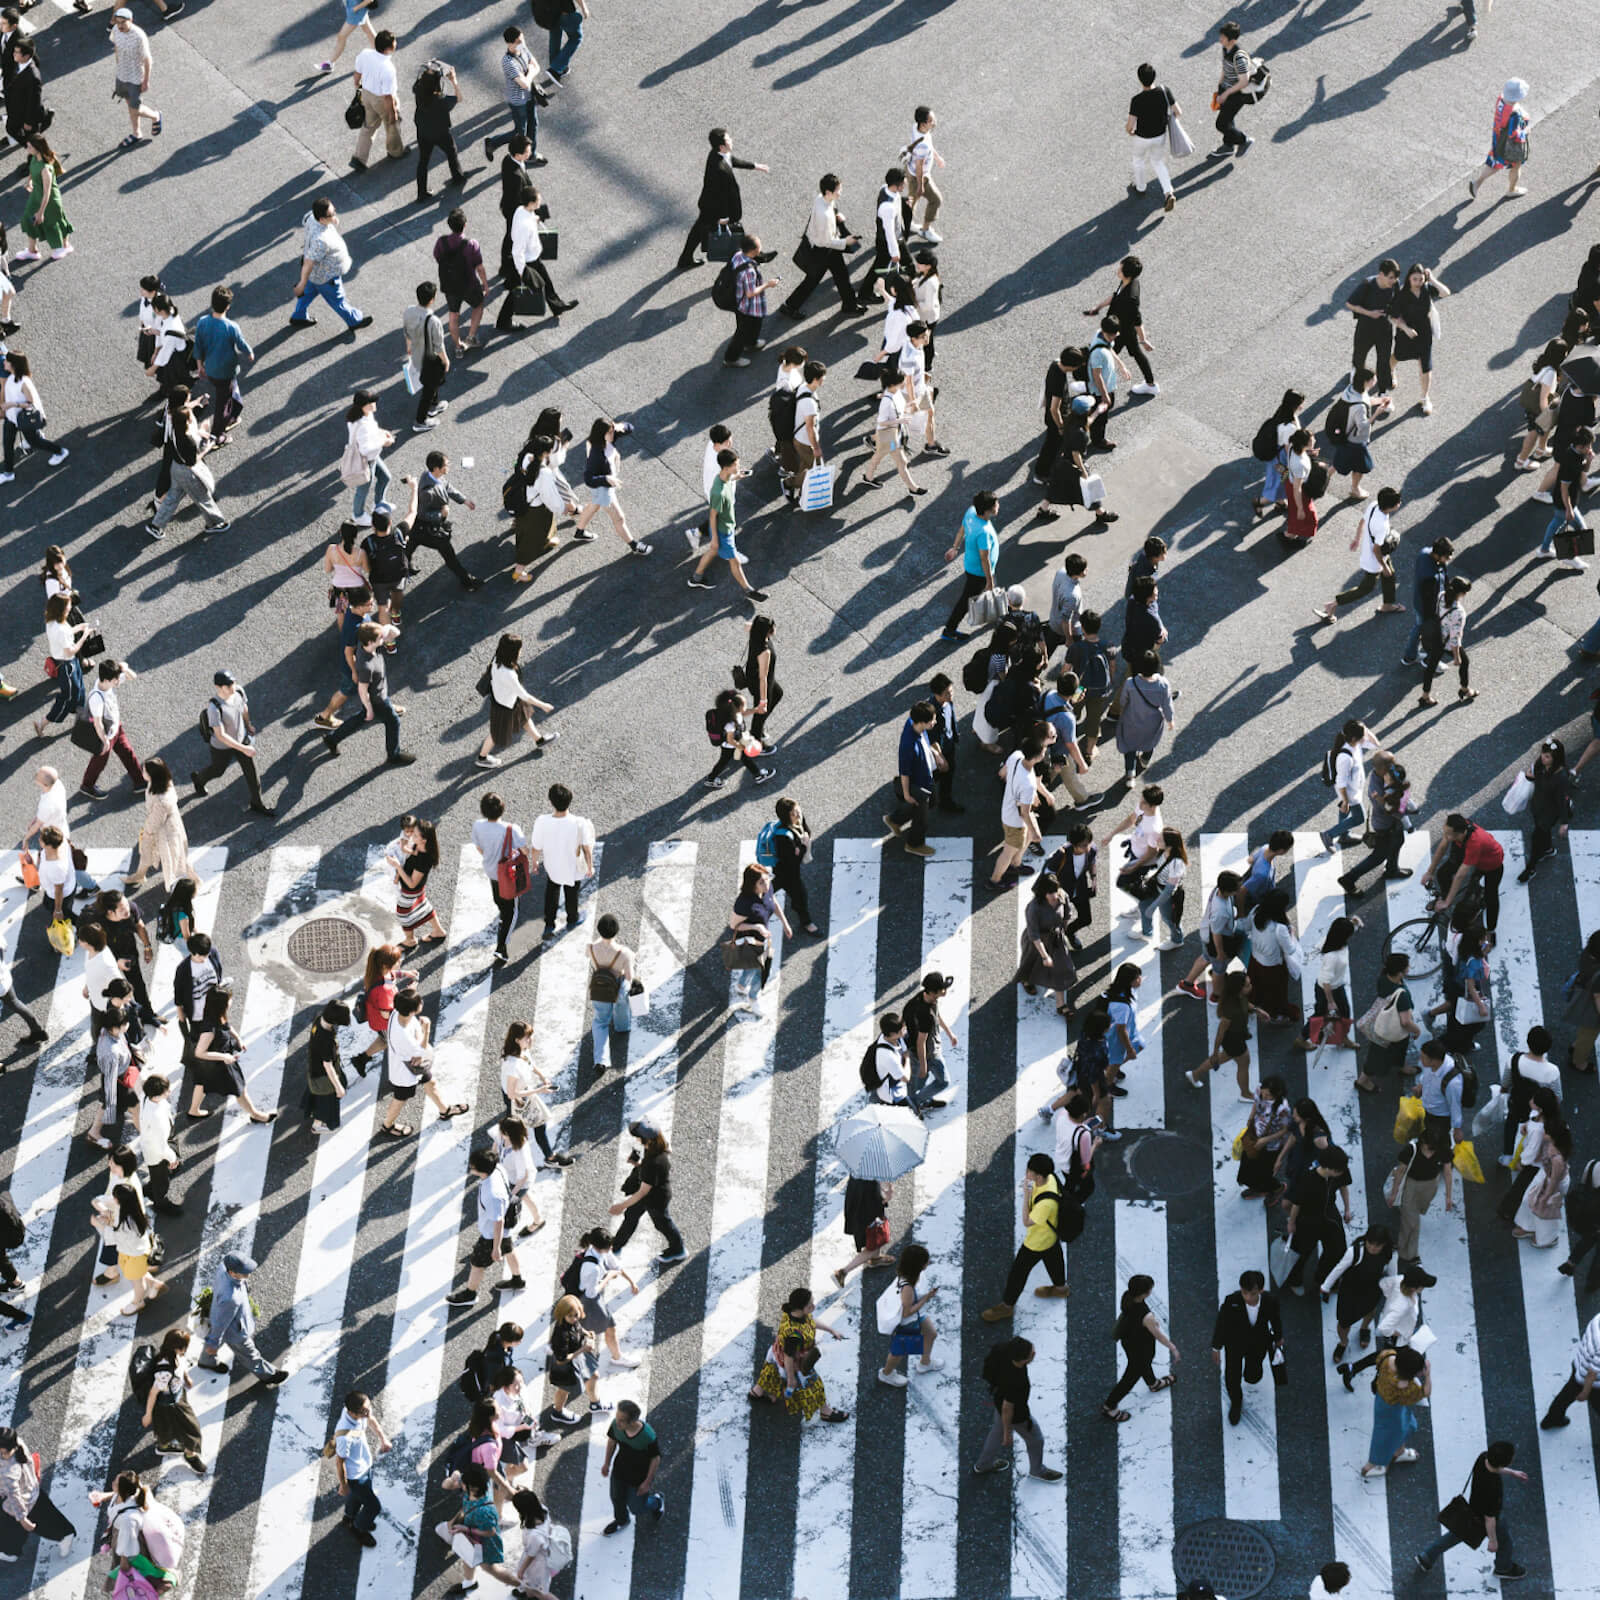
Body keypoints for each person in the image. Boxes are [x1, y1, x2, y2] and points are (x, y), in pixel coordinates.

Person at [1415, 1441, 1528, 1579]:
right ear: (1506, 1462)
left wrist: (1511, 1472)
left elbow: (1494, 1467)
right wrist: (1492, 1541)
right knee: (1505, 1541)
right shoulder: (1493, 1488)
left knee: (1455, 1535)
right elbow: (1490, 1519)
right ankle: (1503, 1568)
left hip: (1472, 1509)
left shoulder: (1483, 1458)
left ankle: (1427, 1556)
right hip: (1489, 1518)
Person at [321, 621, 415, 768]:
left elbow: (395, 633)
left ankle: (332, 739)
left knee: (360, 719)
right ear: (371, 642)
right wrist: (370, 709)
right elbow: (362, 690)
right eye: (380, 638)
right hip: (378, 701)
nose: (383, 640)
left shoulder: (368, 645)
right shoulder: (366, 666)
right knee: (393, 722)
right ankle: (394, 755)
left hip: (378, 696)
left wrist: (384, 630)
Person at [747, 1286, 849, 1422]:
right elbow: (789, 1357)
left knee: (771, 1371)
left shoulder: (791, 1312)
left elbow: (811, 1322)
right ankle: (825, 1411)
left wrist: (831, 1330)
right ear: (800, 1309)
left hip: (775, 1352)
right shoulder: (794, 1335)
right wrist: (791, 1379)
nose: (813, 1306)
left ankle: (757, 1392)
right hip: (794, 1363)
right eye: (809, 1306)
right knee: (815, 1385)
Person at [972, 1337, 1063, 1480]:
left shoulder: (1002, 1349)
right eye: (1031, 1354)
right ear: (1022, 1360)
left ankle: (983, 1465)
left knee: (996, 1433)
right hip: (1016, 1415)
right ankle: (1037, 1470)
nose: (1034, 1353)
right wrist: (1008, 1434)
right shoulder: (1017, 1381)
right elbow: (1008, 1409)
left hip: (998, 1398)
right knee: (1036, 1440)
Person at [677, 126, 768, 269]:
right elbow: (721, 196)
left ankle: (685, 258)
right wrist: (724, 216)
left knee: (699, 231)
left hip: (708, 205)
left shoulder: (716, 154)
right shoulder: (720, 169)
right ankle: (755, 257)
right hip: (715, 209)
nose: (731, 140)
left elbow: (732, 160)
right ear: (722, 146)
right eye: (728, 139)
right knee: (733, 234)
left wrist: (755, 166)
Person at [445, 1147, 526, 1307]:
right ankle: (517, 1279)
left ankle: (470, 1294)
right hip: (505, 1229)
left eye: (472, 1166)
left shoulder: (492, 1194)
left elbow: (498, 1222)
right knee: (509, 1250)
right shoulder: (498, 1169)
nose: (470, 1167)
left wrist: (495, 1249)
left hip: (491, 1235)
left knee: (477, 1264)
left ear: (480, 1170)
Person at [382, 987, 468, 1135]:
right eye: (419, 1002)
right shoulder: (402, 1035)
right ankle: (387, 1125)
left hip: (413, 1065)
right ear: (411, 1011)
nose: (422, 1002)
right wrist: (426, 1028)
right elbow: (420, 1051)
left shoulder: (398, 1012)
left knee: (431, 1082)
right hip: (405, 1072)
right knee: (400, 1099)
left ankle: (444, 1110)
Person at [186, 985, 276, 1124]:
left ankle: (194, 1110)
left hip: (209, 1064)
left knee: (202, 1083)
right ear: (221, 1005)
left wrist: (238, 1039)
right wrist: (225, 1057)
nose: (231, 1002)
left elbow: (227, 1026)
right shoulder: (209, 1030)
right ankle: (256, 1115)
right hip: (220, 1063)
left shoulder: (214, 1014)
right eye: (229, 1000)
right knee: (239, 1089)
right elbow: (199, 1052)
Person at [778, 174, 864, 317]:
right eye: (838, 190)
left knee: (838, 276)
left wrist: (836, 215)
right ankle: (790, 306)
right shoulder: (824, 215)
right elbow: (825, 242)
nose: (840, 193)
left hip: (825, 248)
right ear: (829, 192)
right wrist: (846, 241)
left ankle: (849, 304)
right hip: (824, 250)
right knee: (815, 279)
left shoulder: (821, 198)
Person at [689, 447, 769, 600]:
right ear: (726, 467)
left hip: (727, 527)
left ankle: (696, 578)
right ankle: (749, 590)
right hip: (723, 531)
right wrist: (714, 538)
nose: (738, 467)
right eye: (736, 465)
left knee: (713, 551)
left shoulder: (722, 478)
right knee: (735, 560)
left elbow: (729, 480)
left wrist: (738, 475)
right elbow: (712, 516)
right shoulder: (718, 493)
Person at [199, 1252, 286, 1385]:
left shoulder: (223, 1268)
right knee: (249, 1354)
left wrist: (213, 1342)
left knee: (215, 1340)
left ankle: (206, 1361)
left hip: (225, 1316)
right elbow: (221, 1323)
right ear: (233, 1272)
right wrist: (213, 1343)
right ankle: (268, 1375)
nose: (248, 1275)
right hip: (235, 1331)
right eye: (244, 1272)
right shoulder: (230, 1298)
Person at [1102, 1273, 1179, 1422]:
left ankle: (1153, 1383)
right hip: (1142, 1347)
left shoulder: (1127, 1297)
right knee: (1129, 1379)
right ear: (1145, 1293)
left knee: (1143, 1365)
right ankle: (1109, 1407)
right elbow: (1158, 1334)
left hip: (1129, 1342)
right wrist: (1172, 1347)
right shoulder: (1146, 1316)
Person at [289, 197, 373, 333]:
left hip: (315, 275)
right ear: (322, 219)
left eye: (334, 211)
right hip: (325, 276)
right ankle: (354, 321)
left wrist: (332, 220)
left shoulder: (312, 217)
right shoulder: (321, 241)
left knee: (308, 293)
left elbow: (305, 220)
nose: (335, 215)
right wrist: (301, 283)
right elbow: (309, 262)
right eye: (331, 214)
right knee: (338, 300)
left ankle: (299, 316)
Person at [1211, 1269, 1283, 1426]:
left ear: (1261, 1290)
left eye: (1252, 1293)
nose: (1248, 1298)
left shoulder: (1270, 1301)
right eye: (1245, 1293)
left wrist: (1278, 1338)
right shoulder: (1232, 1301)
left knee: (1253, 1376)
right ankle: (1236, 1404)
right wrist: (1216, 1347)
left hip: (1258, 1344)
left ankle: (1251, 1374)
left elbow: (1275, 1320)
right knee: (1232, 1377)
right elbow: (1221, 1324)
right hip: (1234, 1344)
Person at [608, 1120, 684, 1266]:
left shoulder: (653, 1162)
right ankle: (616, 1246)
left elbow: (643, 1192)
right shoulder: (657, 1147)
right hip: (652, 1193)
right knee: (631, 1216)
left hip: (655, 1199)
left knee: (663, 1224)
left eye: (637, 1136)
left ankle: (678, 1249)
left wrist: (621, 1206)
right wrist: (637, 1164)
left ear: (646, 1139)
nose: (636, 1138)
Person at [476, 633, 556, 768]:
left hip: (508, 700)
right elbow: (525, 696)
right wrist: (543, 705)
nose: (521, 651)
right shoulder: (509, 674)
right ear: (513, 652)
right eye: (519, 649)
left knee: (524, 717)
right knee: (496, 734)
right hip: (505, 706)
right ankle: (482, 758)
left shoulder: (497, 658)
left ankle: (539, 739)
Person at [573, 417, 650, 554]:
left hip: (603, 485)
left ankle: (579, 531)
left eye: (613, 431)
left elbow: (630, 427)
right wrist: (606, 479)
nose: (613, 434)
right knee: (619, 518)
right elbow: (588, 479)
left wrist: (620, 426)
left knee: (593, 506)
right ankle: (634, 546)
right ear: (601, 434)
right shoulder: (596, 453)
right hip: (603, 488)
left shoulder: (609, 437)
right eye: (610, 432)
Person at [438, 1463, 520, 1588]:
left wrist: (466, 1529)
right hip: (472, 1533)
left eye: (463, 1483)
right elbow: (445, 1485)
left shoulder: (485, 1512)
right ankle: (469, 1582)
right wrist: (454, 1477)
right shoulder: (480, 1484)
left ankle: (522, 1586)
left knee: (491, 1569)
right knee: (468, 1556)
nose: (461, 1484)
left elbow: (491, 1532)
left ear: (469, 1487)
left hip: (484, 1543)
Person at [530, 783, 593, 942]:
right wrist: (590, 866)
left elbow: (536, 847)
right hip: (573, 869)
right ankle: (572, 918)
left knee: (551, 892)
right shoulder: (579, 822)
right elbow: (586, 848)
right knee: (572, 894)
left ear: (551, 802)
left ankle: (549, 924)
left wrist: (535, 863)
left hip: (553, 867)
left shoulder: (542, 821)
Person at [1321, 1224, 1394, 1362]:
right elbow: (1339, 1268)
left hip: (1371, 1289)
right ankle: (1343, 1342)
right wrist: (1326, 1286)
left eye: (1377, 1246)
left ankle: (1364, 1328)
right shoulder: (1355, 1252)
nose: (1372, 1248)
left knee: (1369, 1311)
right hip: (1350, 1291)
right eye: (1370, 1243)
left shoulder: (1389, 1254)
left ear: (1384, 1245)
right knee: (1343, 1322)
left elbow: (1392, 1275)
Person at [0, 1429, 74, 1563]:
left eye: (3, 1452)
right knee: (47, 1516)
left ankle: (10, 1551)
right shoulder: (18, 1443)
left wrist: (22, 1518)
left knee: (11, 1526)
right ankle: (65, 1534)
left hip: (20, 1503)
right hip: (32, 1489)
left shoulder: (8, 1471)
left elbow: (14, 1496)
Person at [332, 1391, 392, 1550]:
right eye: (363, 1411)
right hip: (356, 1475)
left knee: (357, 1497)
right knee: (374, 1507)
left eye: (368, 1408)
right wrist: (343, 1485)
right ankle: (358, 1528)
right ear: (351, 1412)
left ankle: (349, 1517)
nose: (368, 1413)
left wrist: (383, 1438)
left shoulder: (360, 1413)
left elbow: (371, 1420)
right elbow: (340, 1463)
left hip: (365, 1465)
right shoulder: (344, 1437)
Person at [1361, 1344, 1430, 1479]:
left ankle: (1398, 1451)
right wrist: (1428, 1375)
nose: (1422, 1371)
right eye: (1419, 1370)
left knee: (1398, 1429)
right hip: (1394, 1409)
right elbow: (1425, 1392)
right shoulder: (1408, 1388)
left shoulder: (1388, 1356)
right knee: (1388, 1434)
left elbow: (1382, 1357)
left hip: (1382, 1400)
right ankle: (1374, 1464)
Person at [140, 1327, 204, 1472]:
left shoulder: (173, 1355)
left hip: (178, 1396)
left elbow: (180, 1366)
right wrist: (148, 1414)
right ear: (177, 1347)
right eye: (184, 1347)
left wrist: (186, 1378)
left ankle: (164, 1447)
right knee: (191, 1430)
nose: (185, 1350)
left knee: (166, 1429)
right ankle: (189, 1454)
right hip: (168, 1405)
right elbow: (153, 1393)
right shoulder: (164, 1372)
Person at [878, 1242, 940, 1388]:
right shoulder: (908, 1288)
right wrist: (926, 1298)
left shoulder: (910, 1275)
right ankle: (886, 1374)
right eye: (926, 1261)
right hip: (908, 1322)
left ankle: (925, 1363)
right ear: (918, 1266)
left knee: (931, 1334)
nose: (928, 1263)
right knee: (898, 1352)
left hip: (916, 1315)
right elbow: (907, 1312)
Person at [0, 350, 68, 485]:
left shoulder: (24, 382)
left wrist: (12, 404)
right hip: (12, 417)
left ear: (13, 365)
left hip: (24, 419)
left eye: (7, 361)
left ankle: (60, 451)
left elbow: (30, 403)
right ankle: (8, 473)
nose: (4, 362)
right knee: (7, 443)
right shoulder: (11, 377)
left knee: (35, 442)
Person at [600, 1401, 665, 1535]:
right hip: (619, 1471)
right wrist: (607, 1463)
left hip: (638, 1477)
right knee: (616, 1498)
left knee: (638, 1508)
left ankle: (657, 1501)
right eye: (617, 1418)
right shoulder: (616, 1426)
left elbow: (655, 1458)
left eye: (621, 1421)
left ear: (632, 1421)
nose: (617, 1424)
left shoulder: (647, 1436)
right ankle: (621, 1520)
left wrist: (647, 1482)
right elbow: (612, 1441)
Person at [1518, 737, 1576, 882]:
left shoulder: (1561, 777)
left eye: (1547, 756)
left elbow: (1562, 801)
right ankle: (1548, 849)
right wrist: (1529, 776)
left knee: (1536, 838)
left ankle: (1530, 868)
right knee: (1542, 831)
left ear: (1555, 758)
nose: (1542, 758)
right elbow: (1535, 776)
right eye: (1543, 754)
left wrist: (1564, 823)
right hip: (1538, 807)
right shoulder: (1541, 764)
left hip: (1549, 813)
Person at [1126, 63, 1179, 213]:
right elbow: (1178, 111)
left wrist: (1130, 131)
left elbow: (1130, 125)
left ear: (1140, 79)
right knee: (1157, 162)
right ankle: (1168, 192)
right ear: (1154, 76)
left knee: (1138, 160)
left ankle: (1141, 187)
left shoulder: (1137, 100)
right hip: (1160, 136)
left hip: (1141, 137)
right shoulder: (1164, 91)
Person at [723, 234, 780, 370]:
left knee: (755, 322)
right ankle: (731, 358)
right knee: (742, 332)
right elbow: (750, 293)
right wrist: (768, 284)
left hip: (738, 300)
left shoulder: (737, 254)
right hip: (746, 305)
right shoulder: (749, 272)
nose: (761, 248)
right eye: (759, 247)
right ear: (753, 251)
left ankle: (751, 342)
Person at [586, 912, 634, 1071]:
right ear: (617, 931)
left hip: (600, 988)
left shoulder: (591, 947)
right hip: (618, 987)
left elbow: (590, 959)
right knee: (622, 1004)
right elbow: (629, 976)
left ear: (599, 930)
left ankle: (601, 1060)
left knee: (600, 1022)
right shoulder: (624, 953)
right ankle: (622, 1026)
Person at [1469, 78, 1530, 200]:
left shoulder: (1501, 99)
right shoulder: (1515, 113)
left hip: (1498, 138)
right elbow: (1515, 135)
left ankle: (1477, 183)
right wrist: (1526, 130)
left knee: (1495, 162)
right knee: (1516, 166)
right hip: (1510, 145)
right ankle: (1512, 189)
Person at [412, 58, 464, 201]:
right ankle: (457, 176)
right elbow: (459, 98)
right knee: (451, 151)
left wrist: (430, 69)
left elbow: (424, 79)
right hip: (440, 132)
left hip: (423, 130)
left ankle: (421, 192)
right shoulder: (441, 100)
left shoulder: (418, 88)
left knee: (423, 160)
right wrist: (454, 81)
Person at [546, 1296, 603, 1422]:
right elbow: (561, 1360)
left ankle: (595, 1403)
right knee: (564, 1390)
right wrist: (583, 1348)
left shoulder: (570, 1321)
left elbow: (577, 1327)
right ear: (563, 1314)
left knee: (593, 1375)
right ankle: (557, 1412)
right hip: (567, 1367)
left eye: (576, 1315)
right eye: (570, 1316)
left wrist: (586, 1333)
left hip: (577, 1357)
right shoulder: (561, 1334)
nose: (574, 1319)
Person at [108, 8, 160, 147]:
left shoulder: (139, 36)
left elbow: (148, 60)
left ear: (131, 20)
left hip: (135, 78)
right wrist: (118, 64)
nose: (120, 25)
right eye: (118, 22)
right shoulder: (116, 30)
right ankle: (137, 132)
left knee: (134, 108)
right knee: (129, 104)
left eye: (123, 22)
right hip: (121, 75)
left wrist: (146, 80)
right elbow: (116, 47)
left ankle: (155, 116)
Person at [1539, 1311, 1600, 1428]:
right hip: (1592, 1382)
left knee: (1567, 1394)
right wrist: (1585, 1393)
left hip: (1580, 1363)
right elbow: (1592, 1373)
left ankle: (1552, 1419)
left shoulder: (1598, 1318)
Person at [834, 1177, 895, 1286]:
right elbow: (881, 1178)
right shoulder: (876, 1162)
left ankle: (875, 1258)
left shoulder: (860, 1162)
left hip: (856, 1194)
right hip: (869, 1200)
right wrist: (889, 1189)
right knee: (876, 1236)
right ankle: (843, 1272)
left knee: (870, 1232)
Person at [1210, 20, 1256, 159]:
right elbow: (1225, 67)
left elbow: (1244, 81)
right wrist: (1220, 86)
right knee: (1228, 120)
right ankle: (1228, 146)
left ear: (1232, 40)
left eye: (1223, 38)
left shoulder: (1239, 57)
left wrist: (1226, 93)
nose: (1220, 40)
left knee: (1221, 124)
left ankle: (1244, 140)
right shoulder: (1226, 48)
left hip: (1236, 95)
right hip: (1225, 89)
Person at [305, 999, 350, 1134]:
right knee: (326, 1103)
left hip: (314, 1067)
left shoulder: (319, 1020)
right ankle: (317, 1125)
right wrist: (338, 1088)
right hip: (323, 1077)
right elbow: (328, 1066)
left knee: (319, 1097)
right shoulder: (326, 1040)